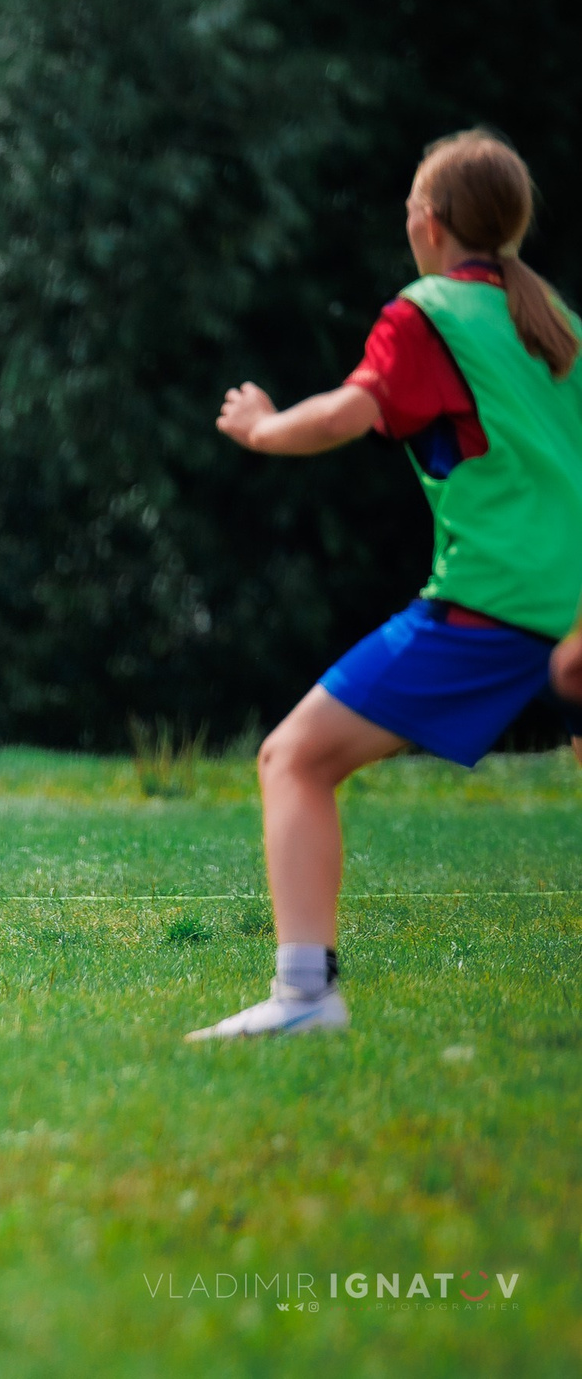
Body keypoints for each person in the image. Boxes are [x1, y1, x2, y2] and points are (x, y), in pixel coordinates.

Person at [194, 129, 582, 1039]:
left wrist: (261, 427)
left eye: (411, 200)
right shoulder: (557, 321)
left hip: (497, 600)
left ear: (431, 220)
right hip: (572, 605)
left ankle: (303, 998)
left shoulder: (429, 310)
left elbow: (350, 410)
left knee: (293, 759)